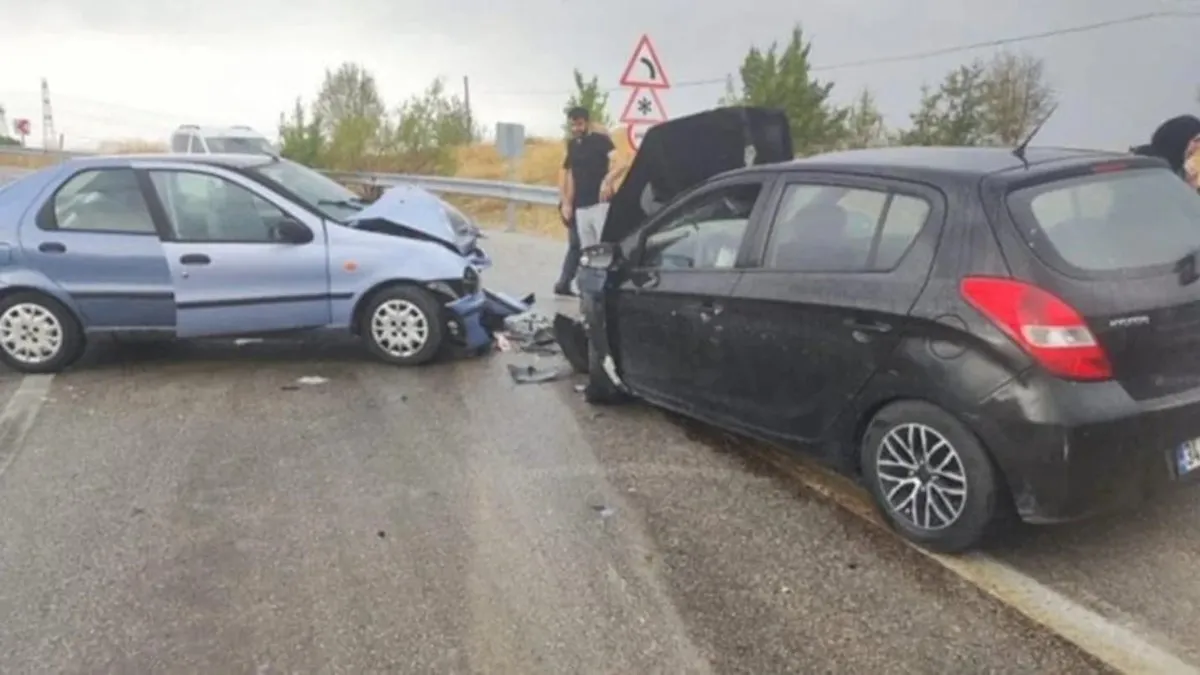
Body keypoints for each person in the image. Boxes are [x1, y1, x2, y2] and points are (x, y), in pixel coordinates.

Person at [555, 107, 628, 296]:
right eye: (573, 125)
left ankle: (608, 290)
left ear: (587, 122)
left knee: (603, 249)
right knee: (587, 253)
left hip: (599, 204)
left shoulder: (601, 141)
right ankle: (590, 293)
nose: (576, 128)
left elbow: (621, 163)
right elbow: (569, 174)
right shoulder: (572, 145)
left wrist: (608, 180)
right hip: (581, 206)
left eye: (579, 124)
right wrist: (567, 202)